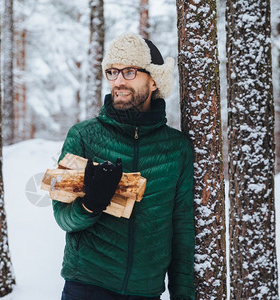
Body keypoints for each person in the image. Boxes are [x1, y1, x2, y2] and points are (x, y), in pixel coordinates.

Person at [53, 32, 195, 300]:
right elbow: (63, 217)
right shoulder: (83, 136)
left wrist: (183, 295)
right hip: (87, 285)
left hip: (146, 290)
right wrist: (90, 205)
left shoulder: (177, 148)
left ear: (153, 81)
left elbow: (182, 230)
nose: (118, 81)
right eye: (112, 72)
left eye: (129, 71)